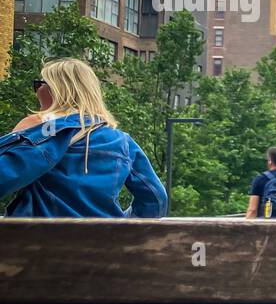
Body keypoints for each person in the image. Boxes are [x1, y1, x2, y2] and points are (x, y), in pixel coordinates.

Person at [0, 57, 167, 218]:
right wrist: (123, 224)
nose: (36, 91)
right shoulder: (122, 142)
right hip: (104, 243)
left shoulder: (43, 133)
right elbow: (155, 199)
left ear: (57, 90)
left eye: (39, 84)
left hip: (36, 243)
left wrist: (21, 135)